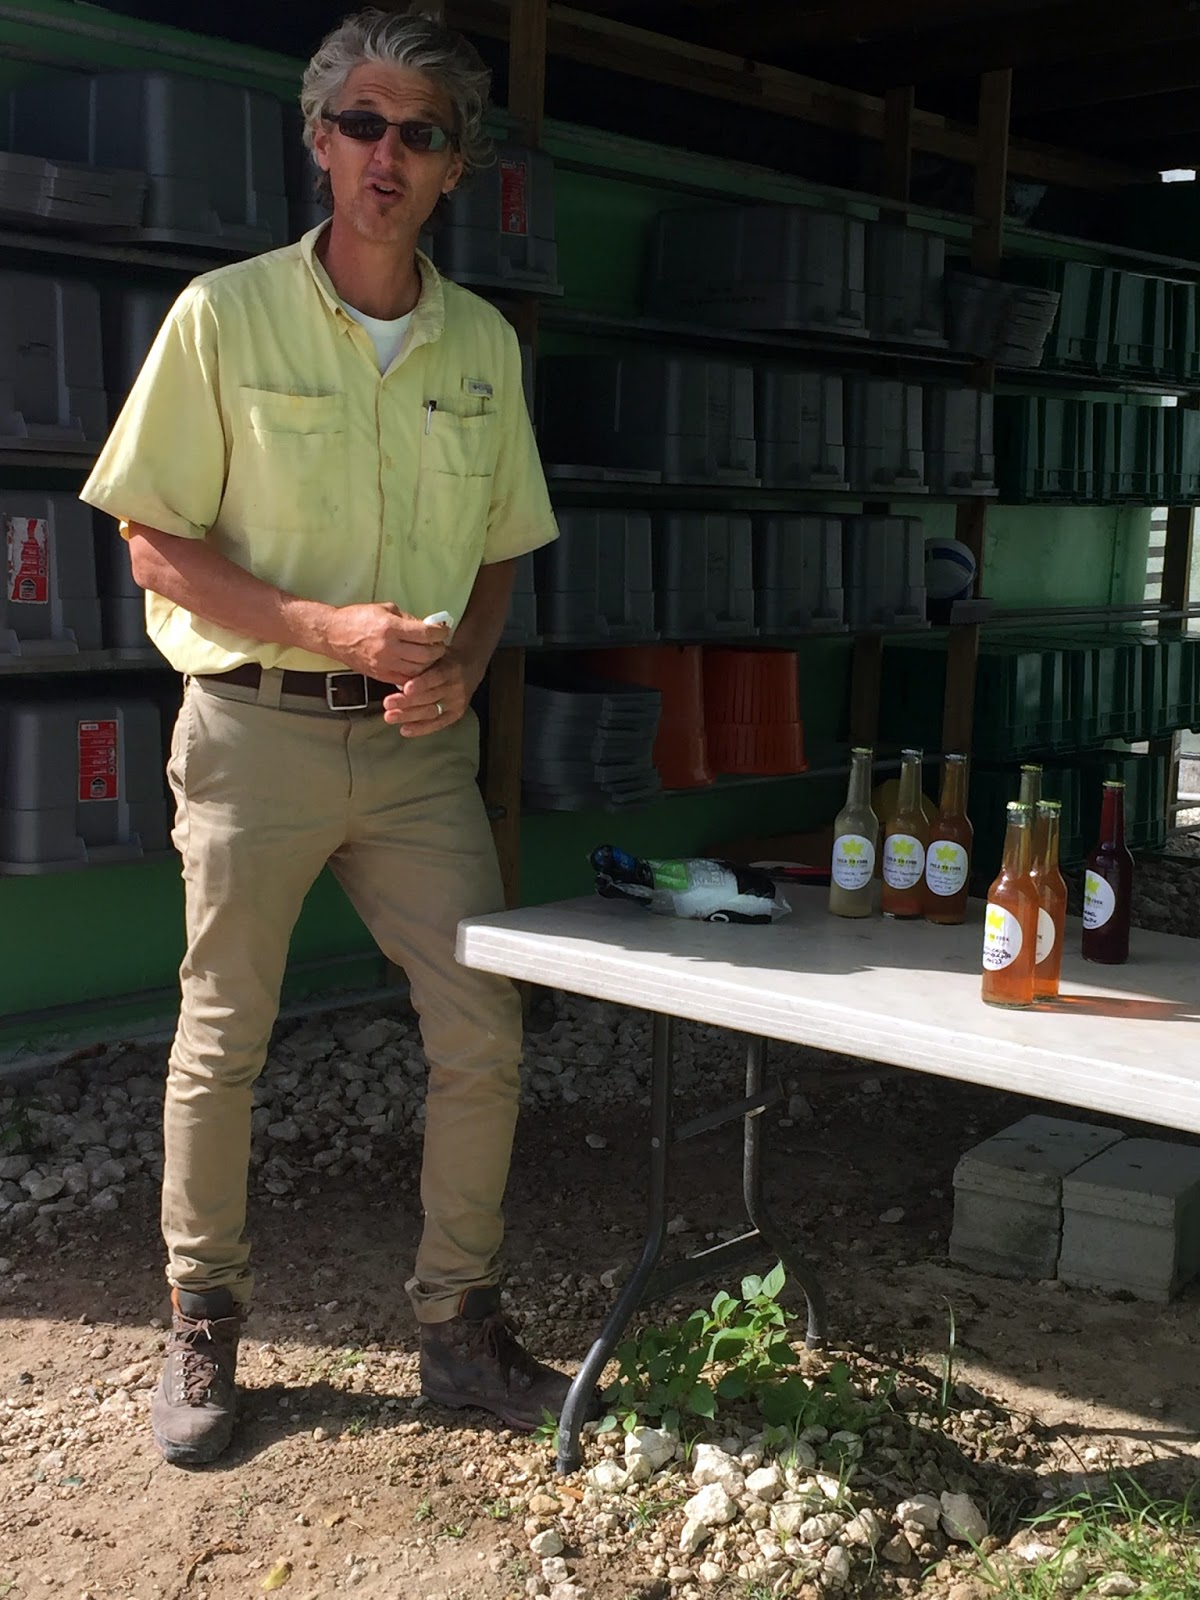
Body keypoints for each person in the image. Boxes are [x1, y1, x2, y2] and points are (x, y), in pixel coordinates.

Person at [80, 5, 576, 1467]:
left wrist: (464, 666)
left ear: (456, 168)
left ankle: (459, 1327)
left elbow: (502, 547)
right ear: (317, 142)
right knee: (223, 1034)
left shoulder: (480, 344)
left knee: (482, 1027)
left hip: (418, 752)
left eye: (420, 133)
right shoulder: (224, 316)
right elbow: (153, 542)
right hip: (255, 731)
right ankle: (202, 1323)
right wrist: (329, 629)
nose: (386, 153)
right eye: (362, 123)